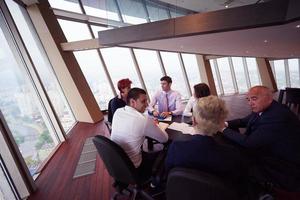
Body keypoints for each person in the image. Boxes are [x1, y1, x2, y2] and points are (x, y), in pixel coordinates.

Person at [222, 85, 300, 191]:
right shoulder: (263, 109)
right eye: (248, 100)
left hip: (285, 164)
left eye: (254, 98)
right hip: (274, 150)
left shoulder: (276, 116)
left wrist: (222, 129)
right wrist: (225, 124)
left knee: (238, 163)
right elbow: (243, 121)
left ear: (269, 97)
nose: (250, 103)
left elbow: (250, 142)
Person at [166, 95, 244, 184]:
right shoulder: (231, 154)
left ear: (194, 121)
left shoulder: (176, 148)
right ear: (222, 123)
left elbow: (169, 174)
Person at [111, 87, 168, 176]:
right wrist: (156, 126)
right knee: (166, 152)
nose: (146, 104)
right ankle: (155, 183)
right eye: (143, 101)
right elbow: (164, 139)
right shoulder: (143, 120)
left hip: (116, 164)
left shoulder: (118, 112)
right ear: (133, 102)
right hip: (135, 167)